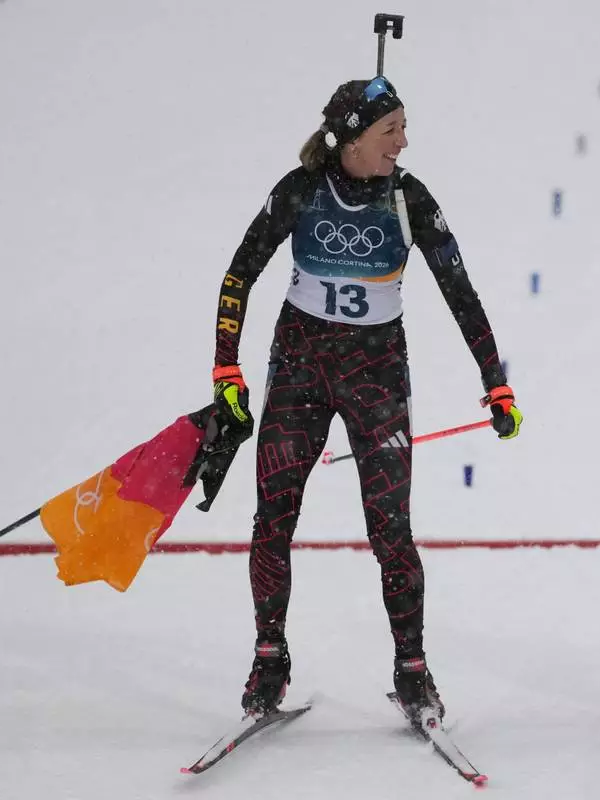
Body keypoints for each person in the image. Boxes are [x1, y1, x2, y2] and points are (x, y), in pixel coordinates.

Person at [206, 76, 523, 726]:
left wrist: (496, 380)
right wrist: (225, 369)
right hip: (300, 366)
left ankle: (412, 670)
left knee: (391, 530)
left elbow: (461, 292)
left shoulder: (409, 198)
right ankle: (269, 659)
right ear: (351, 138)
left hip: (375, 373)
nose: (404, 142)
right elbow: (239, 274)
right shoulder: (301, 190)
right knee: (273, 518)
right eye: (390, 130)